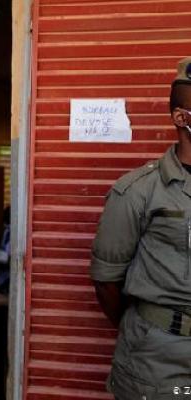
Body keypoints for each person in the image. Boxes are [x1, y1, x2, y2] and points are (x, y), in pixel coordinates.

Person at [90, 57, 191, 399]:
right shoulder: (138, 190)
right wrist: (148, 325)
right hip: (158, 358)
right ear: (181, 118)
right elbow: (106, 281)